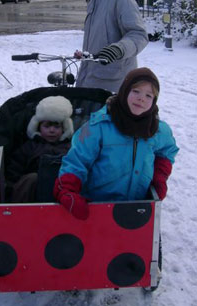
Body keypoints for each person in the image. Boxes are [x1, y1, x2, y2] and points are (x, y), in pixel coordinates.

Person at [54, 67, 179, 220]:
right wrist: (67, 189)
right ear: (125, 91)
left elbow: (166, 151)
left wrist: (159, 176)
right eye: (136, 91)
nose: (141, 98)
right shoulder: (98, 126)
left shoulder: (158, 130)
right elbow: (77, 159)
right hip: (96, 206)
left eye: (149, 95)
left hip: (136, 206)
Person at [75, 0, 149, 93]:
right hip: (90, 78)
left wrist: (119, 49)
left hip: (113, 84)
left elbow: (139, 35)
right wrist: (87, 54)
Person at [6, 96, 74, 203]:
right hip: (33, 193)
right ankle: (21, 211)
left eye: (56, 127)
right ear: (38, 127)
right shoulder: (30, 147)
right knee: (31, 178)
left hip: (64, 189)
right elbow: (14, 169)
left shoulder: (70, 148)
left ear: (64, 128)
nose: (52, 130)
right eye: (47, 126)